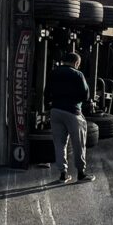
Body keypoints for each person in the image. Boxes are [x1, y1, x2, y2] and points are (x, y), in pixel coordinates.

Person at [44, 52, 95, 183]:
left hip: (55, 111)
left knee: (59, 144)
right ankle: (81, 174)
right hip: (73, 112)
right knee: (79, 144)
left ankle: (63, 175)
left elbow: (46, 93)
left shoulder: (53, 73)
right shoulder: (78, 74)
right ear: (76, 63)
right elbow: (86, 95)